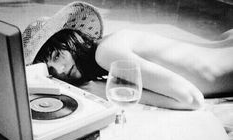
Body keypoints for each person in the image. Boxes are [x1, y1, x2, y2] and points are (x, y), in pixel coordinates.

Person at [22, 1, 233, 110]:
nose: (59, 71)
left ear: (71, 39)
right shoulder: (107, 49)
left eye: (58, 55)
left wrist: (107, 92)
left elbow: (192, 100)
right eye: (51, 70)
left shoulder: (106, 52)